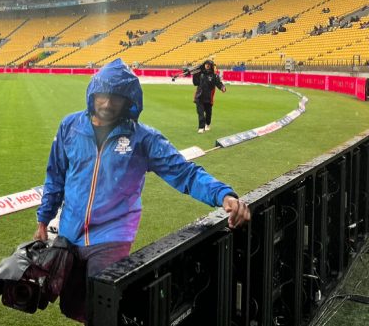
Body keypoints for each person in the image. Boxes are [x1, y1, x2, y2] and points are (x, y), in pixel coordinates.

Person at [34, 59, 250, 323]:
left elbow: (184, 173)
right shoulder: (70, 127)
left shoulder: (142, 138)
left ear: (129, 100)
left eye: (116, 98)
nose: (107, 104)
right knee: (72, 306)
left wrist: (223, 195)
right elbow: (55, 176)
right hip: (69, 233)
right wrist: (43, 220)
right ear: (93, 94)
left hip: (112, 236)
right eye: (102, 96)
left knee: (102, 309)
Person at [192, 60, 226, 133]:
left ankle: (207, 124)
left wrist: (222, 87)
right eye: (206, 64)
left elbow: (219, 83)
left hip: (208, 97)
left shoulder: (214, 75)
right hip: (199, 96)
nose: (207, 66)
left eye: (209, 65)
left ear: (211, 66)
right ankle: (201, 127)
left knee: (208, 113)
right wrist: (194, 74)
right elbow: (195, 83)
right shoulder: (200, 74)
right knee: (200, 113)